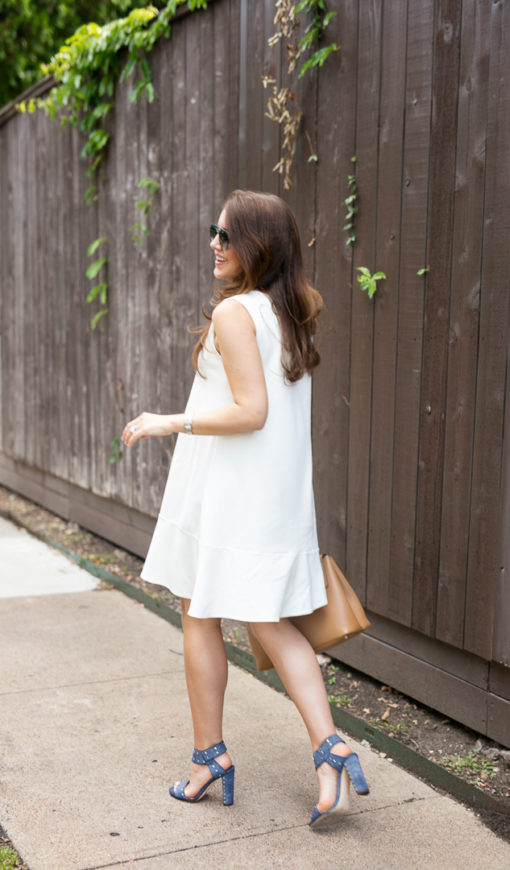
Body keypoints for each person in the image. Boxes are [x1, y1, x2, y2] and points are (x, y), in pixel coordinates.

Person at [121, 190, 369, 827]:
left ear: (259, 246)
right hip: (272, 496)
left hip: (228, 493)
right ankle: (331, 750)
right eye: (214, 231)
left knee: (199, 616)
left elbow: (250, 412)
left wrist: (166, 420)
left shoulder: (237, 316)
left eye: (227, 236)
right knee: (270, 623)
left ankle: (210, 760)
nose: (215, 243)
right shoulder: (290, 312)